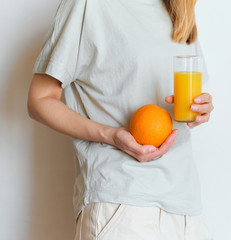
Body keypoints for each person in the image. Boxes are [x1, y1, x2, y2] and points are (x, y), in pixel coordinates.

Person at [27, 0, 214, 239]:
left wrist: (201, 108)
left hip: (186, 209)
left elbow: (187, 96)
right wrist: (111, 135)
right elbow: (39, 99)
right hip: (121, 205)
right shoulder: (88, 5)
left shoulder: (180, 10)